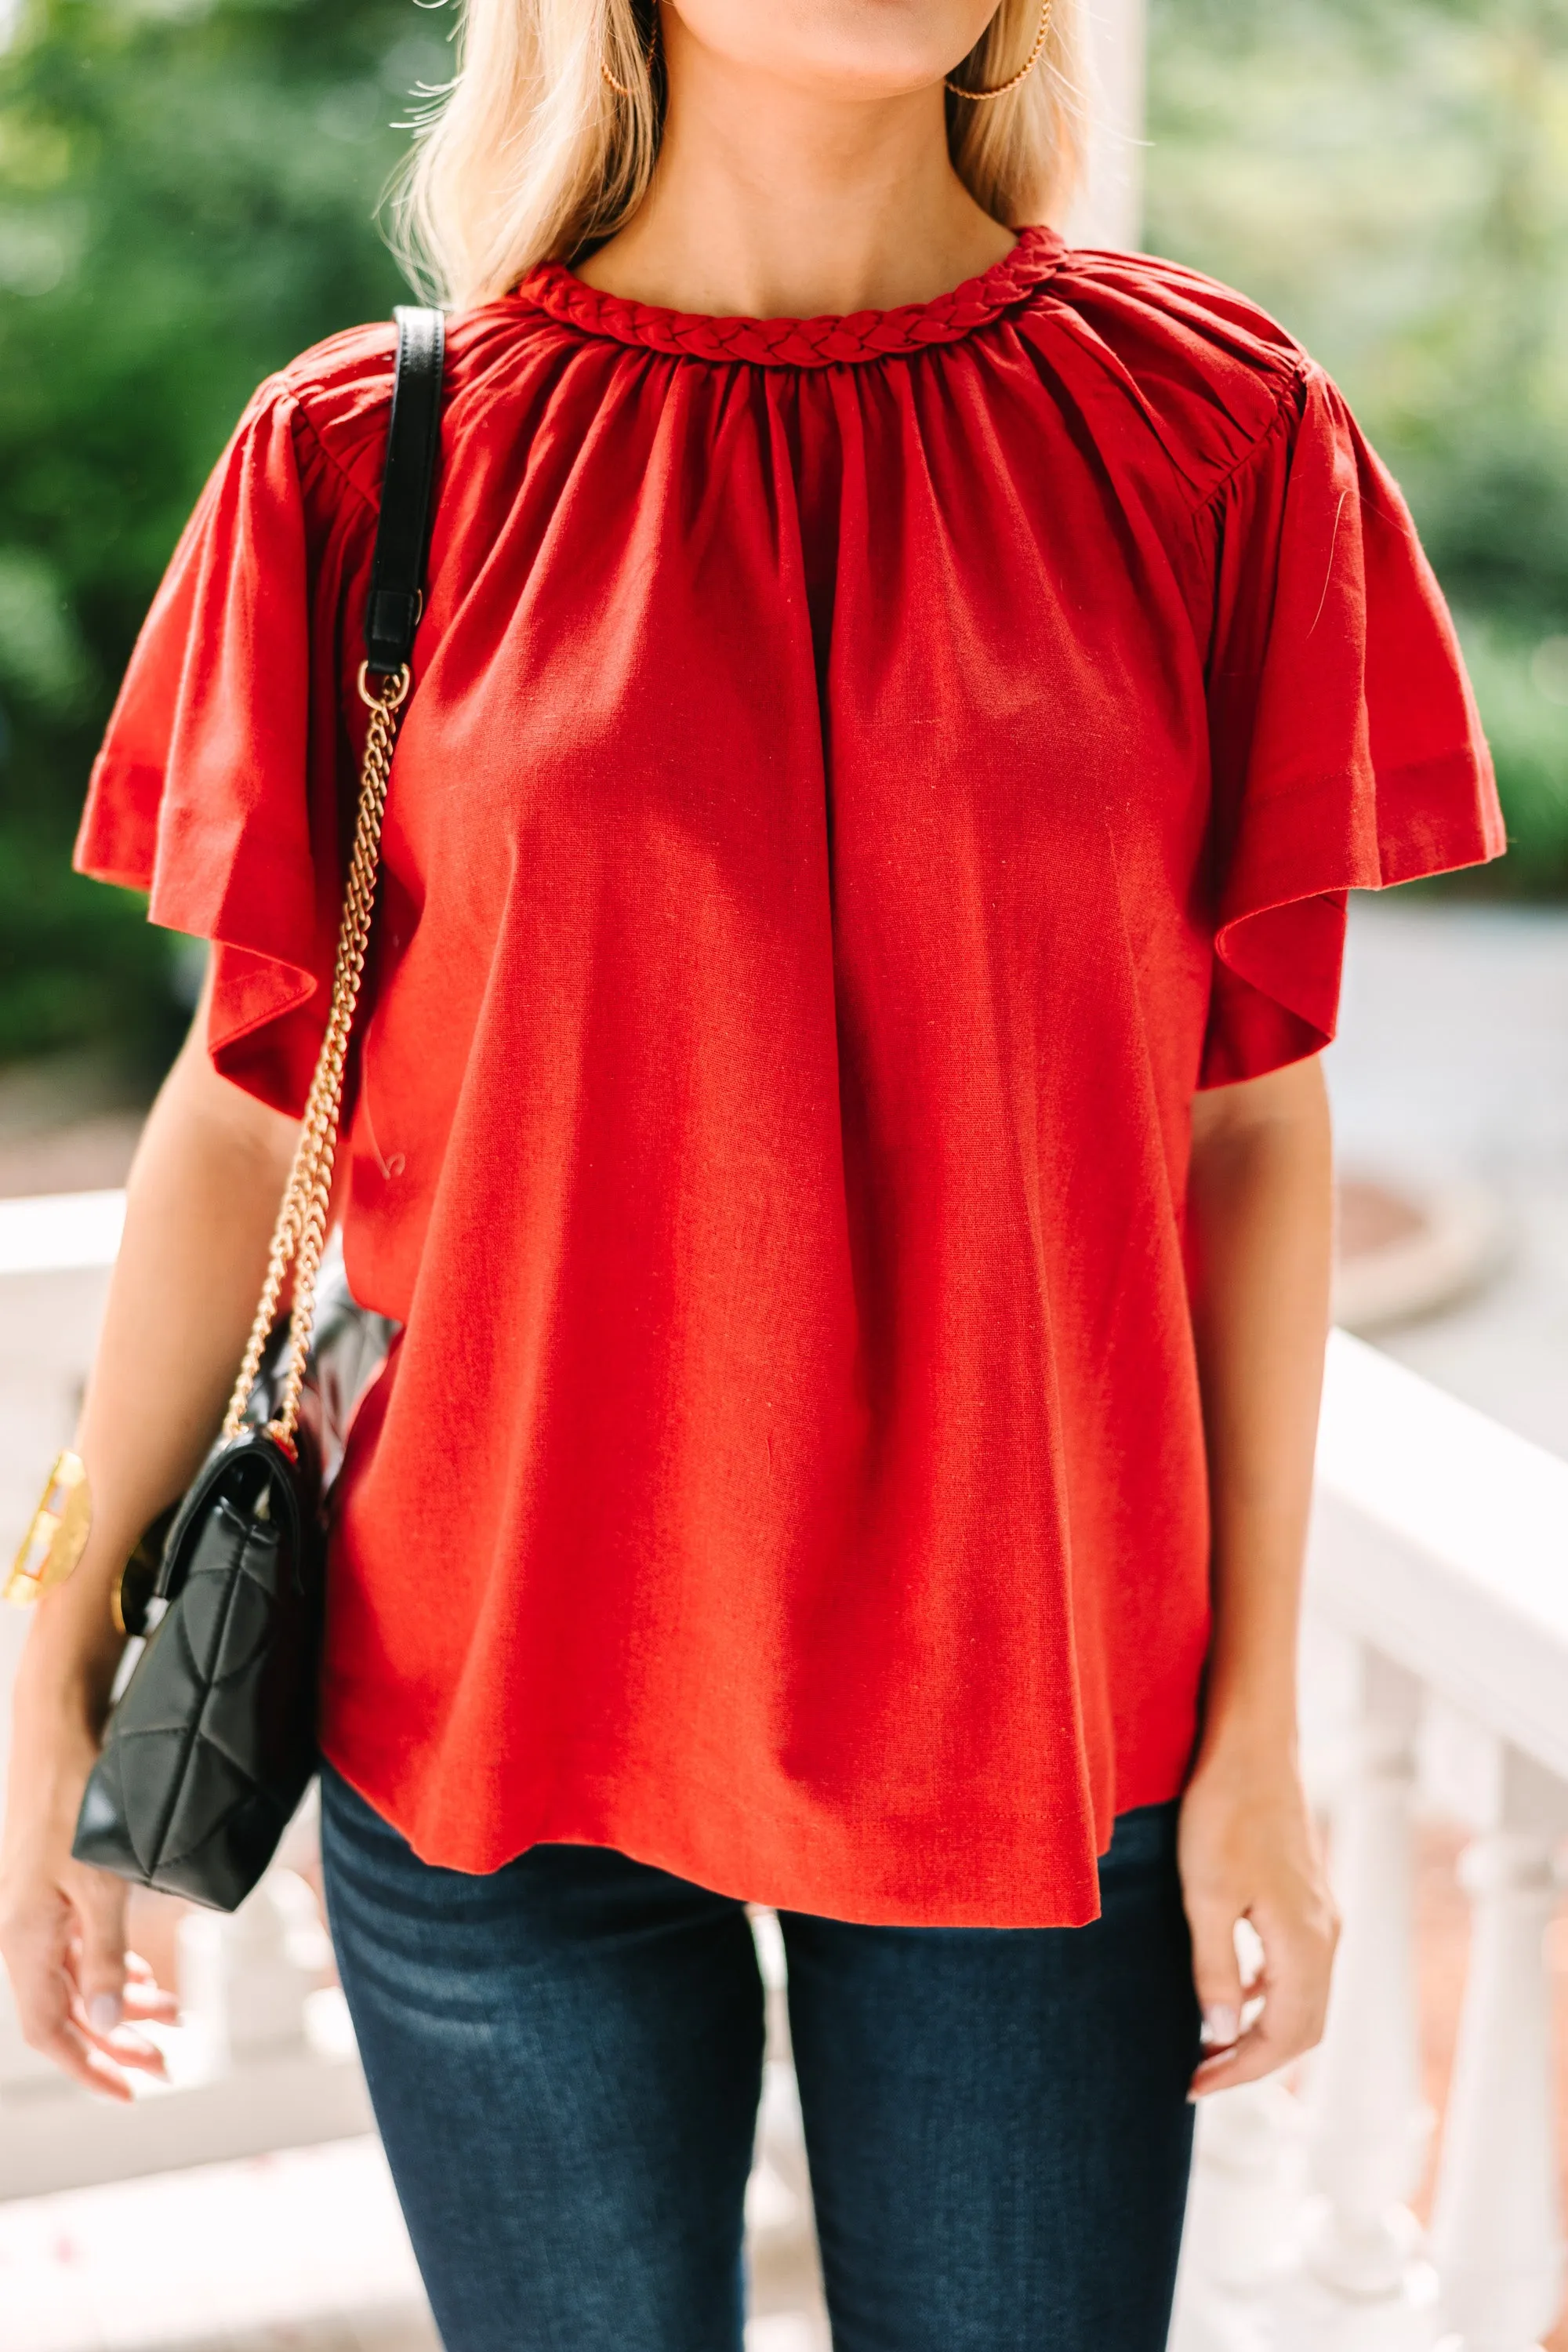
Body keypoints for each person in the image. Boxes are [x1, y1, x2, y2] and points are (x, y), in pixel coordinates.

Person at [0, 1, 1503, 2345]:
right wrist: (50, 1666)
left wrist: (1254, 1753)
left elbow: (1243, 1120)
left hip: (1038, 1717)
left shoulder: (1217, 437)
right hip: (480, 1694)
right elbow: (239, 1103)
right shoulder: (366, 460)